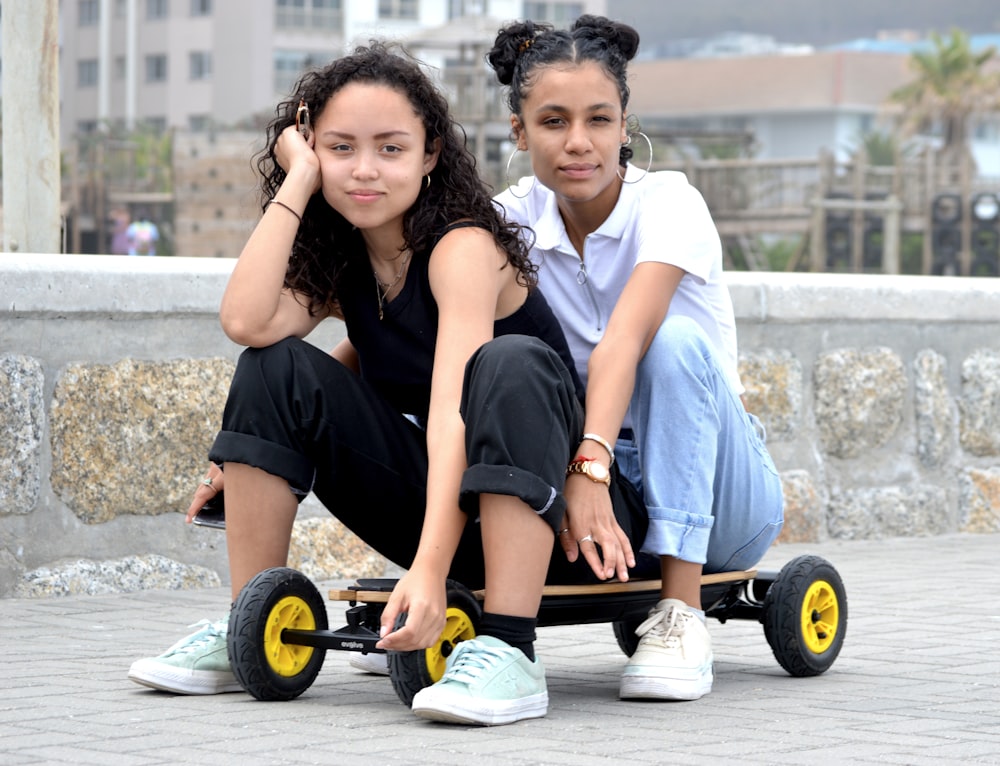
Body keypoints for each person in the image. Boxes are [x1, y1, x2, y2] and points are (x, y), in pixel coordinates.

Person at [127, 42, 602, 726]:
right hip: (456, 505)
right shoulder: (348, 258)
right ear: (312, 147)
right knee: (275, 362)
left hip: (551, 524)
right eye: (341, 149)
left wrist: (431, 569)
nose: (364, 171)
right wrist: (297, 183)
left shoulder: (461, 248)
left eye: (390, 148)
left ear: (430, 153)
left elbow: (451, 417)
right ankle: (246, 628)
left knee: (507, 362)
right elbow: (246, 321)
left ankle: (513, 652)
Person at [485, 15, 784, 702]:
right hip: (609, 492)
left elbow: (626, 337)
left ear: (625, 126)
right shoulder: (507, 221)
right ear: (520, 131)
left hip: (720, 491)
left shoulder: (670, 204)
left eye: (599, 119)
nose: (579, 143)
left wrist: (589, 463)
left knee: (672, 341)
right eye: (553, 122)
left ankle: (681, 615)